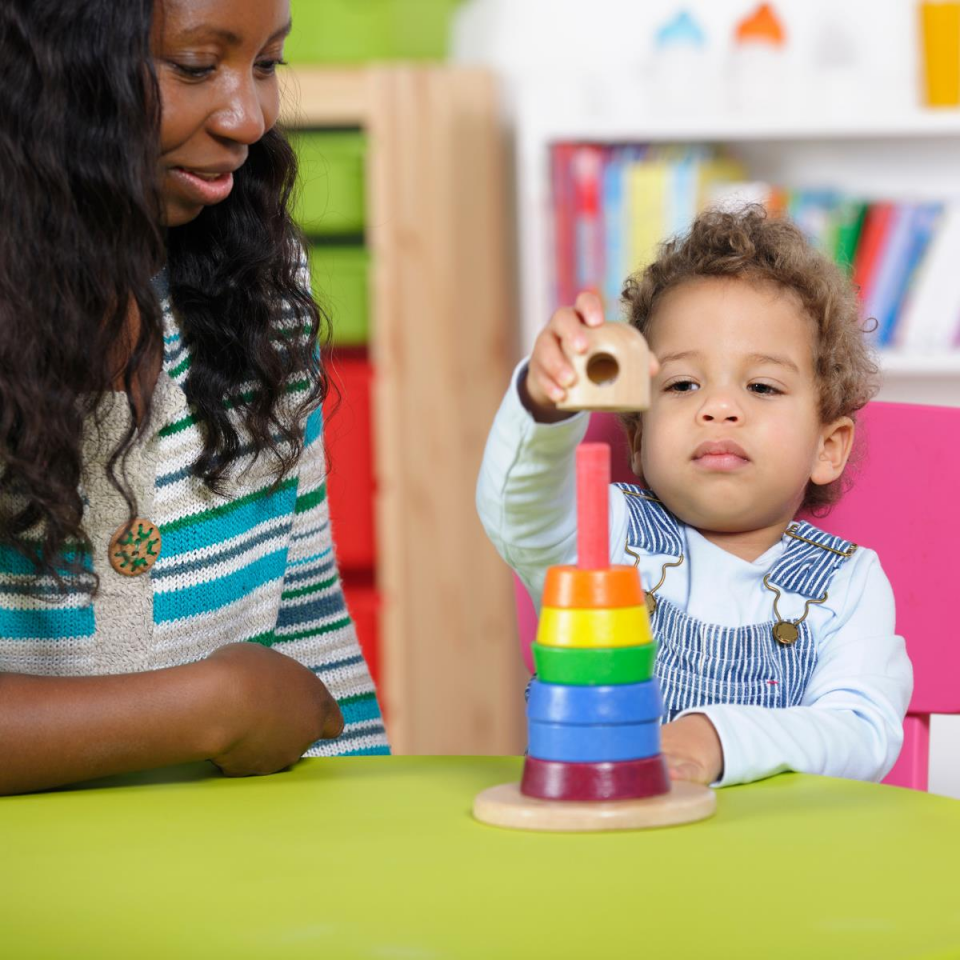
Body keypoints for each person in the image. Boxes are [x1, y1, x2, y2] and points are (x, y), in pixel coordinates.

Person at [0, 0, 388, 796]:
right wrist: (208, 708)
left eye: (267, 64)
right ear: (53, 68)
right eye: (195, 66)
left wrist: (367, 839)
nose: (249, 118)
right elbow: (248, 702)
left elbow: (308, 625)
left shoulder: (261, 284)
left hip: (228, 865)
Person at [477, 206, 912, 787]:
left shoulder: (847, 585)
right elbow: (519, 510)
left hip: (777, 844)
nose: (719, 407)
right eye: (683, 384)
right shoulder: (605, 535)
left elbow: (862, 731)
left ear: (827, 447)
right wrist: (546, 403)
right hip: (599, 834)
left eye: (762, 386)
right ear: (638, 440)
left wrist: (716, 738)